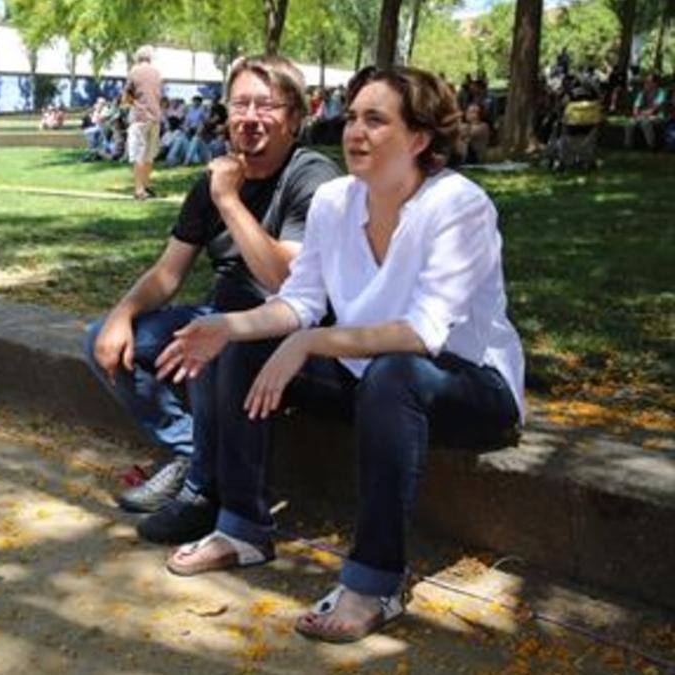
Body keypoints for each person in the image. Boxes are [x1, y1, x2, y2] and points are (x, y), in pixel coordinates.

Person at [154, 66, 523, 643]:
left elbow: (425, 332)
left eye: (376, 120)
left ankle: (375, 580)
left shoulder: (459, 205)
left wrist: (312, 341)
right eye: (352, 117)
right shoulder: (334, 201)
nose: (355, 131)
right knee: (240, 347)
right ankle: (244, 528)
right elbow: (299, 302)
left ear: (420, 138)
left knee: (395, 373)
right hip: (366, 377)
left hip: (469, 386)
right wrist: (228, 326)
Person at [85, 56, 340, 515]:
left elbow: (286, 281)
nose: (250, 117)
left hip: (286, 332)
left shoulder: (312, 177)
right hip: (221, 317)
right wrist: (121, 316)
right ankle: (191, 453)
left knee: (215, 341)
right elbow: (168, 272)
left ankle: (206, 488)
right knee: (102, 339)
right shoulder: (214, 180)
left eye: (266, 105)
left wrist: (228, 200)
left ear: (296, 118)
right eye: (240, 104)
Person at [125, 45, 163, 199]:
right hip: (155, 117)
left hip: (140, 117)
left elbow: (127, 95)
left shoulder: (134, 72)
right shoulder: (157, 73)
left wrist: (131, 104)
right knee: (149, 155)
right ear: (150, 58)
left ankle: (139, 190)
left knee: (138, 154)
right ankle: (145, 187)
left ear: (137, 58)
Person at [624, 73, 668, 150]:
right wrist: (637, 114)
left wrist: (642, 114)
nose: (646, 83)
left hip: (658, 116)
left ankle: (652, 146)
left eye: (649, 81)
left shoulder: (661, 92)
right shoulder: (642, 93)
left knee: (645, 123)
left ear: (655, 83)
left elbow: (654, 108)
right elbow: (636, 107)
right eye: (646, 81)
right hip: (643, 116)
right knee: (630, 122)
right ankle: (628, 146)